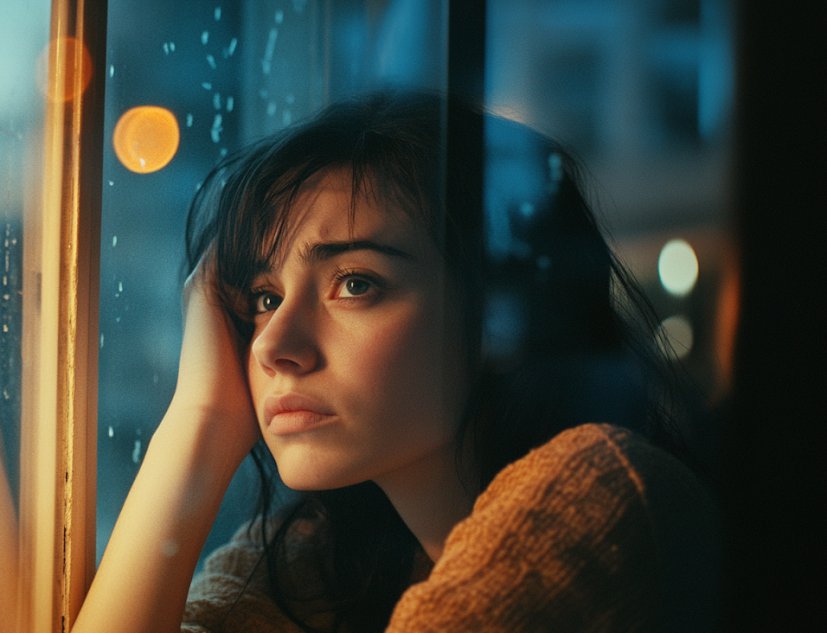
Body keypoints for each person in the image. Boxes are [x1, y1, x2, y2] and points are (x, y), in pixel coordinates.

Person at [74, 90, 718, 632]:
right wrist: (200, 418)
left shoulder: (598, 498)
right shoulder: (313, 563)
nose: (272, 345)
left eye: (356, 284)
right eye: (265, 298)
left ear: (501, 315)